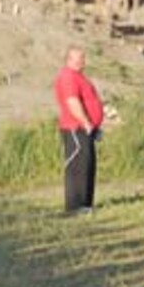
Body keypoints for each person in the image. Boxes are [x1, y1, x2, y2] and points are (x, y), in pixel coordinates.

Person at [53, 46, 105, 214]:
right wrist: (85, 122)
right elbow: (72, 102)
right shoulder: (68, 76)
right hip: (75, 127)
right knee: (77, 164)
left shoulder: (79, 77)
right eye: (79, 58)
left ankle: (86, 204)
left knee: (88, 164)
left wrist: (95, 126)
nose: (83, 61)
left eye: (83, 57)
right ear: (69, 59)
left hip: (86, 128)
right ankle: (75, 206)